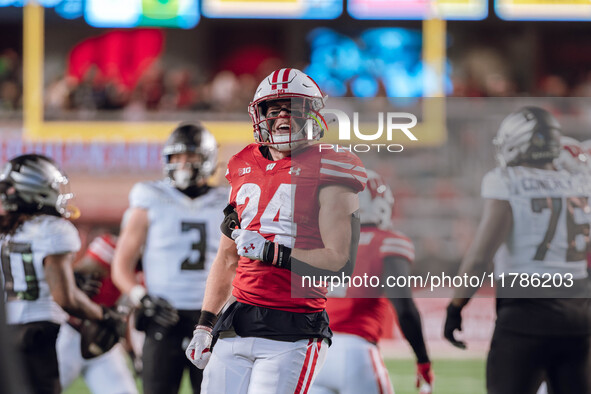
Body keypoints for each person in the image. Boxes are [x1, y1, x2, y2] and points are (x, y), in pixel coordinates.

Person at [185, 68, 367, 394]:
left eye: (292, 107)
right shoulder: (242, 164)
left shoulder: (333, 166)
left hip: (294, 326)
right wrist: (204, 323)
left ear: (312, 115)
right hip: (238, 320)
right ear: (261, 116)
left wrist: (272, 252)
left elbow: (340, 263)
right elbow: (227, 258)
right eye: (274, 109)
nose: (282, 115)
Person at [443, 107, 591, 394]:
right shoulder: (580, 183)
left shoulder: (508, 181)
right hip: (580, 318)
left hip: (526, 317)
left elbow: (479, 259)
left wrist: (456, 305)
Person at [112, 123, 227, 394]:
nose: (183, 164)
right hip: (163, 316)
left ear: (208, 159)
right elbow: (121, 266)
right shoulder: (150, 197)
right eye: (176, 157)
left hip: (211, 319)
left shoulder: (228, 201)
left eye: (191, 156)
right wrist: (142, 297)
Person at [0, 154, 124, 394]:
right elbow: (64, 298)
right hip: (35, 333)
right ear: (35, 189)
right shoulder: (53, 229)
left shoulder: (5, 232)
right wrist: (101, 314)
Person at [310, 170, 433, 394]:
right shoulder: (386, 241)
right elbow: (404, 310)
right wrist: (423, 359)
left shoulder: (315, 243)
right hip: (356, 353)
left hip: (314, 354)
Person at [56, 233, 138, 394]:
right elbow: (77, 273)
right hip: (70, 333)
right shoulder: (111, 248)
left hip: (104, 338)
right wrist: (76, 284)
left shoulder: (150, 265)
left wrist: (131, 351)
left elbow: (123, 314)